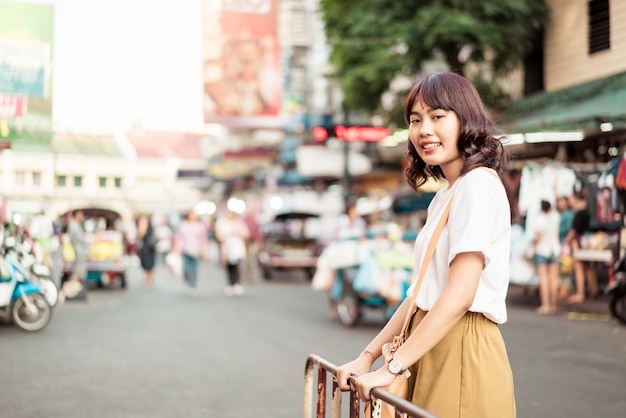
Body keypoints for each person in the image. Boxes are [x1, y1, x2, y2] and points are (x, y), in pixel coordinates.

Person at [336, 72, 516, 417]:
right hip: (428, 342)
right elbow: (418, 294)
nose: (424, 130)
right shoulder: (447, 194)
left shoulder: (477, 185)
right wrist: (368, 355)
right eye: (415, 120)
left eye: (438, 116)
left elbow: (460, 294)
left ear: (466, 120)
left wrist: (391, 368)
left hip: (461, 345)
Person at [530, 200, 562, 314]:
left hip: (542, 250)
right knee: (554, 279)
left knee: (544, 279)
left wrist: (531, 244)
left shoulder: (540, 219)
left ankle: (545, 305)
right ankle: (554, 305)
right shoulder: (556, 217)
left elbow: (537, 238)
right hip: (555, 249)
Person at [565, 190, 595, 303]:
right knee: (588, 268)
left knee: (579, 269)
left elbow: (573, 231)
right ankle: (592, 291)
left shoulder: (578, 213)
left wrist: (566, 242)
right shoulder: (587, 212)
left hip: (578, 243)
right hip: (587, 242)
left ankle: (580, 293)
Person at [215, 208, 250, 296]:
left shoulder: (239, 223)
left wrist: (238, 232)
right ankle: (230, 283)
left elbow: (246, 234)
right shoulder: (222, 223)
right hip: (227, 247)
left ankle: (237, 283)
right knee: (229, 266)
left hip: (237, 247)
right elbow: (219, 236)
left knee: (236, 265)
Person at [174, 211, 209, 296]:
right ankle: (186, 280)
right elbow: (178, 237)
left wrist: (205, 251)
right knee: (186, 268)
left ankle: (193, 286)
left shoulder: (200, 226)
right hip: (186, 249)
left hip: (196, 249)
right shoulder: (183, 225)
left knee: (194, 269)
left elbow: (204, 239)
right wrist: (176, 247)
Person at [66, 210, 89, 300]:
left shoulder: (76, 225)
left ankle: (77, 290)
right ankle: (73, 291)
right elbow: (79, 239)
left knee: (80, 271)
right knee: (77, 272)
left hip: (81, 252)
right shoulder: (73, 226)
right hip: (79, 251)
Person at [136, 213, 157, 287]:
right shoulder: (150, 223)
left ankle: (148, 278)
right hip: (150, 246)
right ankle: (149, 277)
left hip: (146, 246)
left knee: (146, 261)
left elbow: (141, 234)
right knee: (149, 262)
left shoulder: (144, 223)